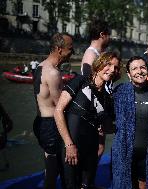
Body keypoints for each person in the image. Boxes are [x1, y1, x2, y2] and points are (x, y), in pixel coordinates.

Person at [54, 52, 120, 189]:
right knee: (71, 185)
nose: (112, 70)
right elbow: (58, 111)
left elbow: (108, 127)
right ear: (99, 64)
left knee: (87, 185)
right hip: (71, 145)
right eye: (109, 64)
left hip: (91, 149)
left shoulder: (108, 98)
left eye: (116, 67)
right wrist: (68, 144)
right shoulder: (80, 81)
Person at [112, 56, 148, 189]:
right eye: (134, 68)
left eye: (142, 67)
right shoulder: (120, 91)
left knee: (147, 185)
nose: (139, 71)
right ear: (129, 74)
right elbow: (109, 114)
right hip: (123, 150)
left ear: (147, 71)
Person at [33, 33, 74, 189]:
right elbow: (61, 107)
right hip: (51, 126)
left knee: (50, 169)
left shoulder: (40, 66)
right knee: (53, 172)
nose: (73, 52)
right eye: (70, 48)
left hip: (40, 122)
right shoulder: (54, 73)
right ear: (58, 49)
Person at [80, 18, 111, 159]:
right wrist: (100, 113)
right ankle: (86, 181)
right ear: (102, 34)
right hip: (93, 111)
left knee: (99, 147)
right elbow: (88, 87)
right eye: (108, 34)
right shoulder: (90, 55)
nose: (110, 38)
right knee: (96, 148)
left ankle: (89, 180)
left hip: (99, 107)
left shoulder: (99, 54)